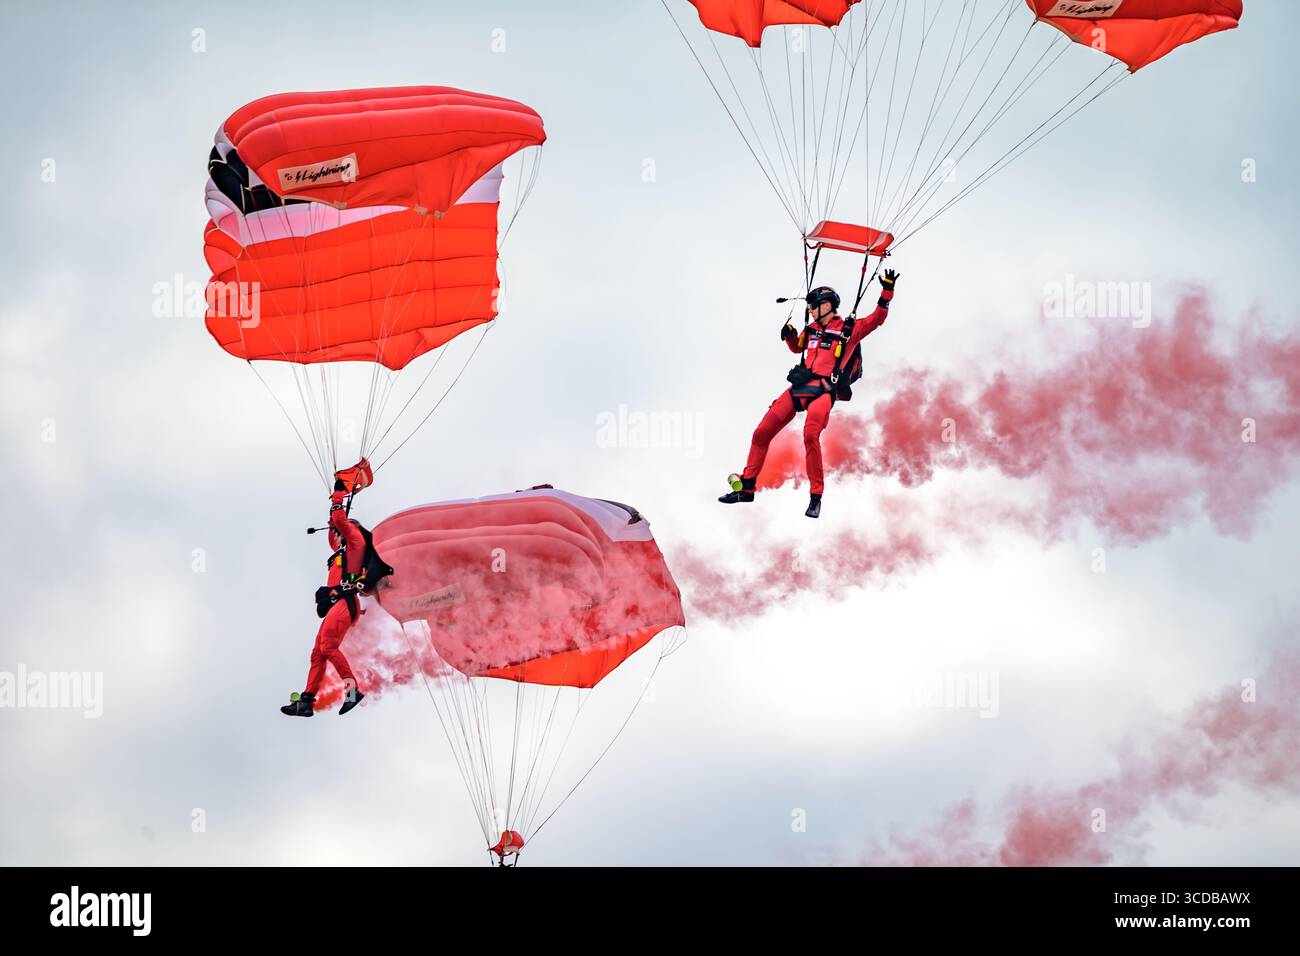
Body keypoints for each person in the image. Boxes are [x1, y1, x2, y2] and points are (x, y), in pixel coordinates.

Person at [720, 270, 899, 517]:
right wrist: (789, 337)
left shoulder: (850, 329)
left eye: (814, 307)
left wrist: (887, 290)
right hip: (799, 388)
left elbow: (878, 318)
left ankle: (816, 496)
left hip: (823, 392)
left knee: (810, 436)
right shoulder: (812, 329)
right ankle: (747, 488)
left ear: (827, 305)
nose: (811, 311)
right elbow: (798, 348)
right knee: (761, 433)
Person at [280, 480, 369, 717]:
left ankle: (352, 691)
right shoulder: (341, 550)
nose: (338, 537)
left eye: (343, 532)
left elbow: (340, 522)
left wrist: (338, 497)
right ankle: (307, 701)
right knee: (318, 652)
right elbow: (335, 526)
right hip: (335, 605)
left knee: (328, 646)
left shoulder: (356, 543)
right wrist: (333, 516)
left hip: (345, 602)